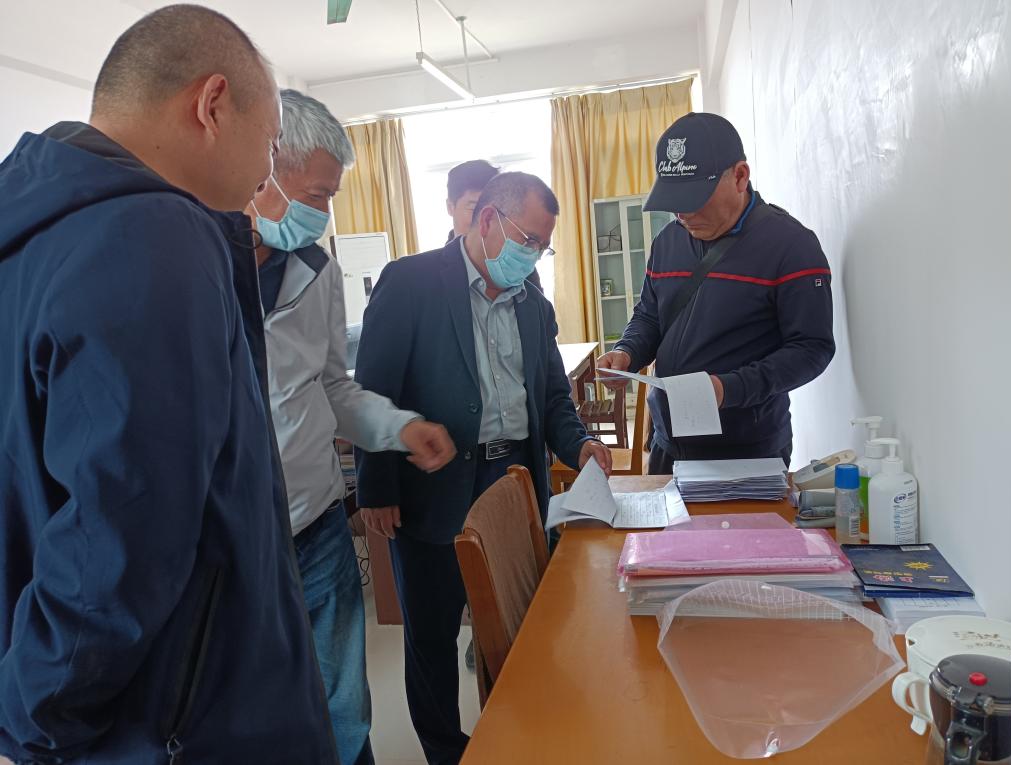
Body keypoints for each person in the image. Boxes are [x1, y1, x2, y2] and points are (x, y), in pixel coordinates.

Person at [0, 6, 339, 763]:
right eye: (270, 140)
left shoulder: (34, 228)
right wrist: (37, 715)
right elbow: (121, 535)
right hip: (193, 720)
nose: (268, 172)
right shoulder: (153, 235)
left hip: (112, 722)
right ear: (211, 104)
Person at [356, 172, 612, 765]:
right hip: (434, 487)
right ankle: (447, 751)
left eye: (543, 246)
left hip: (514, 482)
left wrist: (578, 446)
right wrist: (377, 485)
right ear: (489, 220)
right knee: (433, 635)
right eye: (529, 240)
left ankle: (516, 734)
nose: (534, 255)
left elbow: (552, 396)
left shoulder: (533, 304)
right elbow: (373, 389)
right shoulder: (413, 282)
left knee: (519, 622)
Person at [250, 89, 456, 765]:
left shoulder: (316, 269)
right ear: (262, 167)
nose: (323, 214)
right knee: (256, 713)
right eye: (316, 194)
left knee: (343, 707)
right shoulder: (188, 268)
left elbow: (333, 386)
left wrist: (400, 427)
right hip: (234, 541)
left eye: (331, 196)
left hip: (314, 527)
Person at [598, 113, 835, 471]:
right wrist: (626, 352)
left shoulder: (792, 246)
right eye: (674, 198)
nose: (682, 213)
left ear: (740, 176)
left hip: (747, 450)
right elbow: (650, 316)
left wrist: (730, 388)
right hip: (668, 443)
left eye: (695, 197)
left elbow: (812, 348)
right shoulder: (668, 241)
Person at [445, 159, 543, 291]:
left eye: (495, 208)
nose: (485, 218)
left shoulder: (518, 264)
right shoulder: (428, 273)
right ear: (450, 207)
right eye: (474, 208)